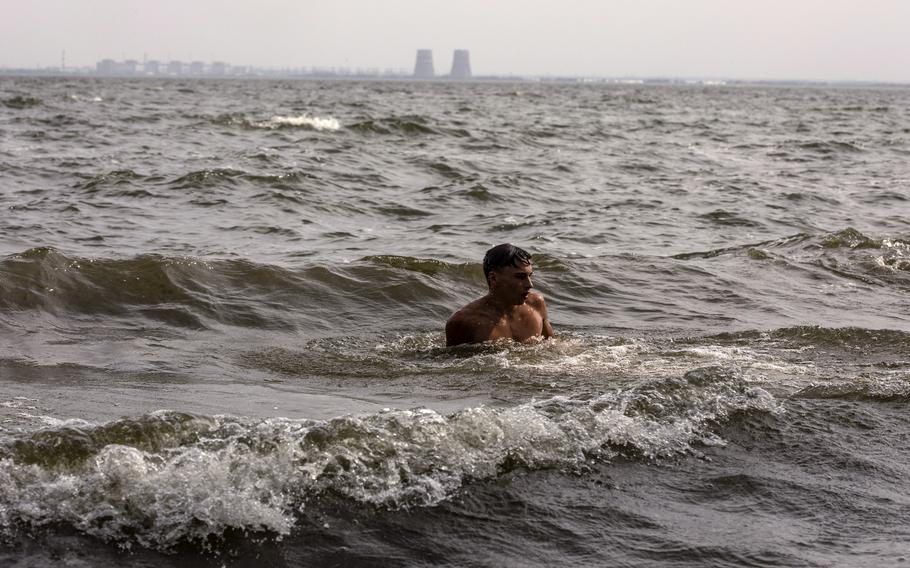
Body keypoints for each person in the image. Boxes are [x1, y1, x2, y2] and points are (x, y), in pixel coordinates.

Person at [446, 243, 554, 346]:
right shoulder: (465, 322)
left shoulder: (536, 304)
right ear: (494, 278)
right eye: (520, 277)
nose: (530, 284)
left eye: (530, 276)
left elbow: (552, 346)